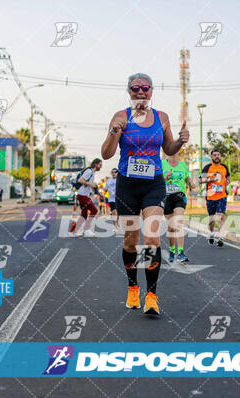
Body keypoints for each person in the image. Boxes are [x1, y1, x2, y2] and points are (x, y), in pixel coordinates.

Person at [101, 72, 189, 316]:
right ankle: (132, 287)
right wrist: (112, 132)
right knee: (130, 241)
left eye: (145, 88)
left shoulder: (162, 118)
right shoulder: (121, 117)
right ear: (129, 91)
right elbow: (107, 154)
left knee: (151, 238)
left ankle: (151, 295)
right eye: (135, 88)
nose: (140, 92)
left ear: (152, 91)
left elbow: (168, 148)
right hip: (127, 185)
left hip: (154, 184)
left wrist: (180, 142)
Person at [162, 152, 196, 262]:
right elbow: (156, 181)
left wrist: (191, 183)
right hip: (166, 197)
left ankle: (181, 252)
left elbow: (187, 178)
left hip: (180, 196)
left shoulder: (182, 165)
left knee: (179, 222)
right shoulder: (162, 164)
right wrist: (165, 177)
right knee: (171, 227)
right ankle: (172, 251)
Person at [199, 149, 230, 247]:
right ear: (211, 157)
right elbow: (200, 180)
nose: (217, 156)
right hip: (211, 197)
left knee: (221, 215)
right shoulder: (208, 167)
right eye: (215, 155)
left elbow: (228, 177)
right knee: (211, 219)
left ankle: (220, 237)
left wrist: (227, 182)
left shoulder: (224, 167)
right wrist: (213, 179)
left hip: (222, 196)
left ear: (220, 156)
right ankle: (212, 233)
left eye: (218, 155)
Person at [72, 158, 102, 237]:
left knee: (84, 214)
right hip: (82, 195)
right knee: (94, 210)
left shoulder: (92, 172)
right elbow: (80, 180)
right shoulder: (89, 171)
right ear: (95, 164)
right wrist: (90, 184)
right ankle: (86, 229)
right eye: (100, 165)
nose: (101, 167)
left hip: (84, 195)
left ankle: (73, 231)